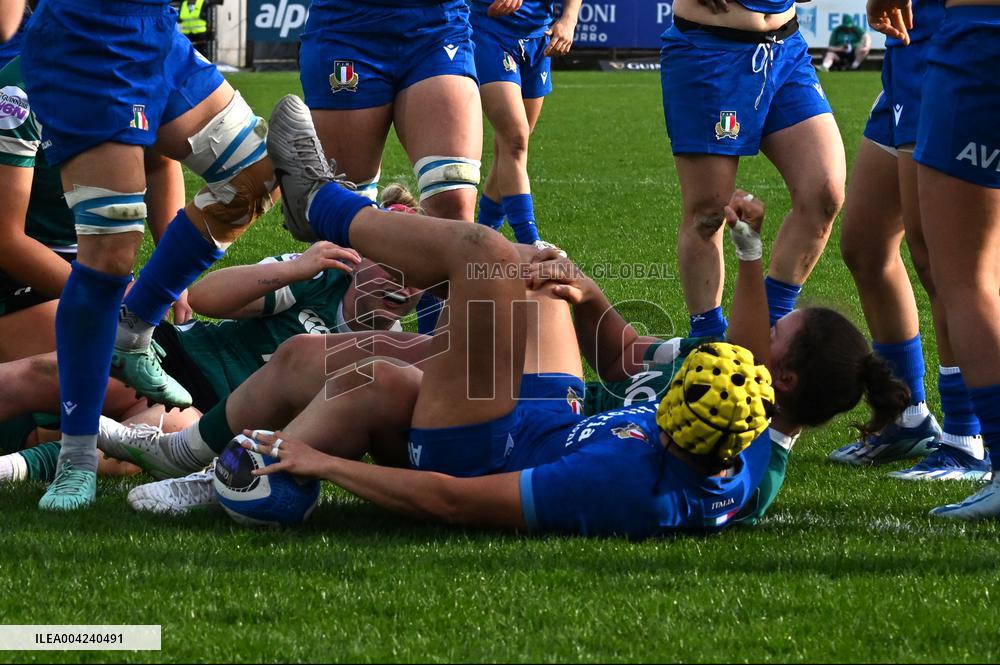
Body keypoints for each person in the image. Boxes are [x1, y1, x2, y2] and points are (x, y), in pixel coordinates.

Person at [112, 98, 907, 535]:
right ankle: (183, 458)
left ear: (783, 376)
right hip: (544, 411)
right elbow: (627, 363)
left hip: (498, 447)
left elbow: (466, 504)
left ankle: (318, 202)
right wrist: (585, 288)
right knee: (316, 365)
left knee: (482, 251)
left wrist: (328, 468)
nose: (751, 339)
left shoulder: (714, 464)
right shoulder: (733, 396)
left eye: (773, 338)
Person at [19, 0, 282, 509]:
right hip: (87, 40)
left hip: (156, 33)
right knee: (110, 254)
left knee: (255, 177)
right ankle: (76, 458)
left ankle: (134, 324)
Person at [0, 236, 419, 485]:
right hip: (174, 356)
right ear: (361, 257)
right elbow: (206, 297)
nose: (401, 285)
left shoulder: (393, 360)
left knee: (144, 445)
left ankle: (15, 467)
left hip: (210, 417)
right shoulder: (318, 279)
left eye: (416, 278)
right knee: (52, 373)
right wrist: (296, 269)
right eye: (390, 268)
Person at [829, 0, 987, 481]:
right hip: (904, 46)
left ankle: (967, 437)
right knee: (866, 243)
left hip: (941, 32)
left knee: (940, 258)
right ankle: (906, 415)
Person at [866, 0, 1000, 518]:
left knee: (964, 278)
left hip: (977, 35)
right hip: (939, 41)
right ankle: (926, 424)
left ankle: (970, 439)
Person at [659, 0, 845, 342]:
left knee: (825, 191)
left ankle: (767, 328)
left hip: (784, 50)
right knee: (709, 211)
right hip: (709, 50)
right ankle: (709, 342)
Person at [0, 53, 189, 362]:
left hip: (104, 261)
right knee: (113, 358)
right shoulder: (17, 93)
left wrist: (172, 271)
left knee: (165, 357)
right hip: (23, 273)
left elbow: (160, 165)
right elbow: (7, 240)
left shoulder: (141, 68)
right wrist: (107, 295)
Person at [470, 0, 580, 250]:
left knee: (510, 147)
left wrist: (568, 19)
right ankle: (530, 240)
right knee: (516, 138)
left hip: (539, 38)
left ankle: (483, 236)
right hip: (489, 34)